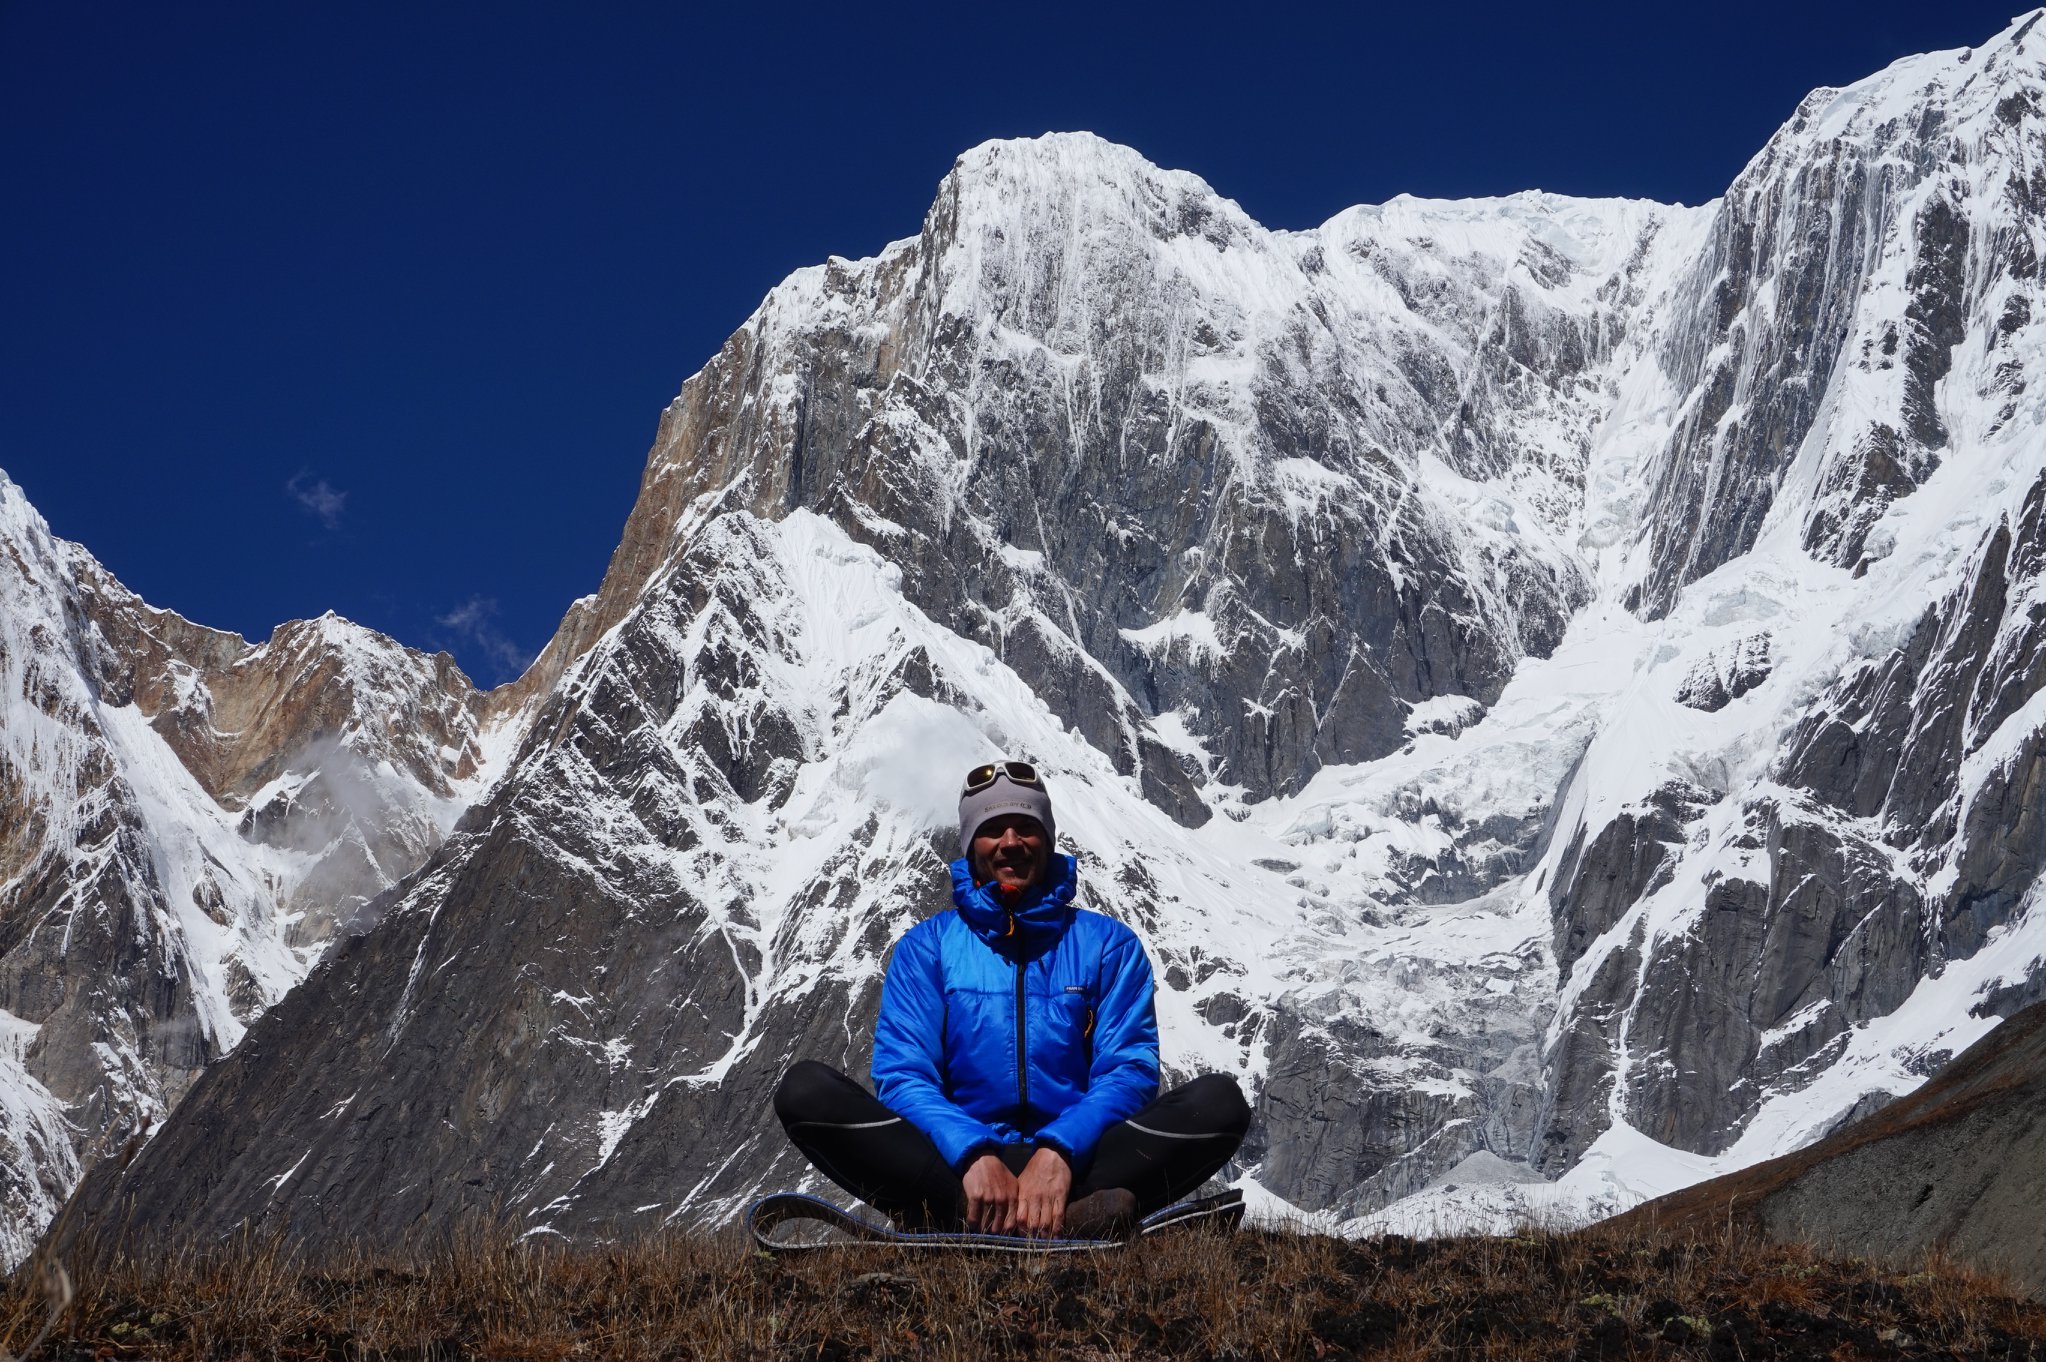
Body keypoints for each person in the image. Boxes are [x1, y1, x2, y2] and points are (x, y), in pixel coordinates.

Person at [774, 759, 1251, 1238]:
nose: (1010, 842)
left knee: (1220, 1105)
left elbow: (1128, 1071)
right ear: (970, 845)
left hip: (1079, 1162)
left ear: (1046, 838)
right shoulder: (928, 949)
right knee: (805, 1093)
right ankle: (1051, 1219)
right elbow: (904, 1075)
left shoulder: (1107, 945)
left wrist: (1060, 1151)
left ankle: (957, 1217)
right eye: (991, 829)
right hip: (962, 1163)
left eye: (1026, 827)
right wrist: (974, 1153)